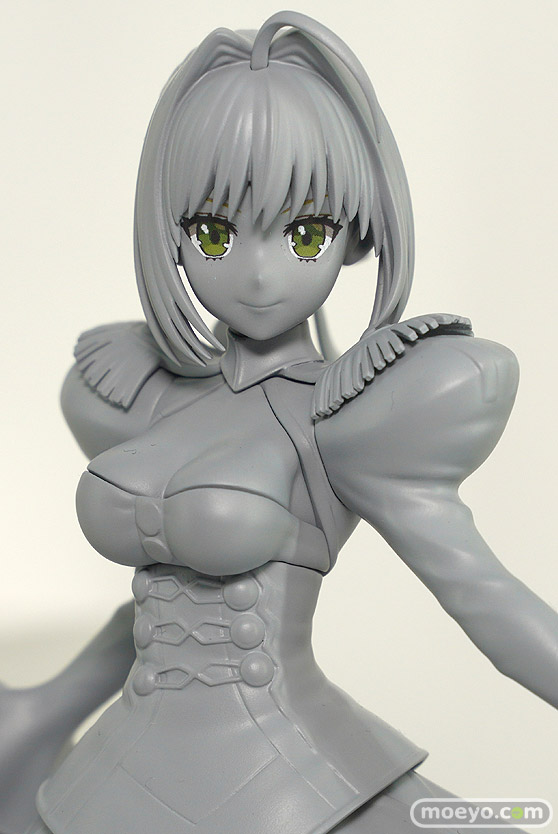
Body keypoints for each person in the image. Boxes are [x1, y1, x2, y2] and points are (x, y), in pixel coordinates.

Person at [1, 11, 556, 834]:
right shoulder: (145, 392)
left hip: (290, 783)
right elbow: (154, 614)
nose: (257, 275)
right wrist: (41, 710)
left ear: (356, 238)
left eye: (304, 234)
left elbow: (483, 596)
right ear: (171, 237)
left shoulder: (346, 415)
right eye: (214, 232)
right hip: (108, 779)